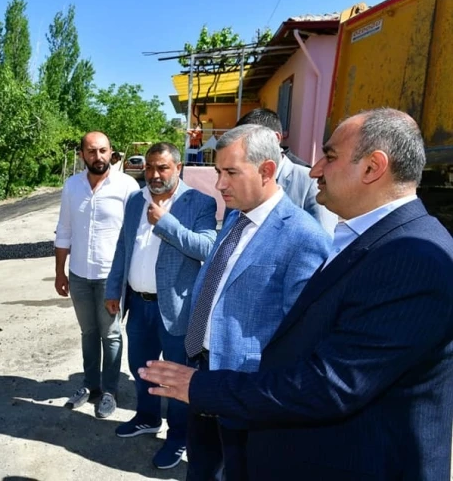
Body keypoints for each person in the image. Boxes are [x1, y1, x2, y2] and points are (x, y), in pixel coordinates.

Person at [139, 109, 453, 480]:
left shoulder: (412, 257)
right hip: (220, 386)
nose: (316, 169)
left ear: (373, 168)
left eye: (330, 156)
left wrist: (206, 387)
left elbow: (328, 380)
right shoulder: (246, 221)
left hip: (278, 414)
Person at [183, 124, 331, 480]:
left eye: (231, 172)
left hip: (247, 389)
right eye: (218, 171)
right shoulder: (235, 216)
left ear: (267, 170)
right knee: (200, 466)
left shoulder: (303, 237)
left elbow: (302, 341)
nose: (219, 184)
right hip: (202, 369)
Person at [104, 142, 217, 469]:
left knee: (178, 377)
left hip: (178, 309)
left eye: (162, 168)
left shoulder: (200, 203)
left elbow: (207, 248)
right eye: (149, 167)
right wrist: (114, 288)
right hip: (138, 305)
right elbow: (122, 249)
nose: (154, 174)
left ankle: (179, 435)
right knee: (142, 367)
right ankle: (148, 417)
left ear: (178, 168)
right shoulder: (134, 200)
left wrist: (165, 223)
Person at [55, 131, 139, 419]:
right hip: (79, 274)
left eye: (103, 150)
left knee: (111, 334)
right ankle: (90, 386)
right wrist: (60, 273)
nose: (98, 156)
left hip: (110, 277)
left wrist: (126, 277)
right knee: (88, 333)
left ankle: (110, 392)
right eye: (91, 151)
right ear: (82, 155)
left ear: (111, 152)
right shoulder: (72, 186)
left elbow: (134, 234)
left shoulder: (127, 186)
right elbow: (64, 230)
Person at [237, 108, 337, 235]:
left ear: (275, 138)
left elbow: (325, 242)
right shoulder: (239, 180)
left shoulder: (310, 182)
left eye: (248, 142)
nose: (242, 150)